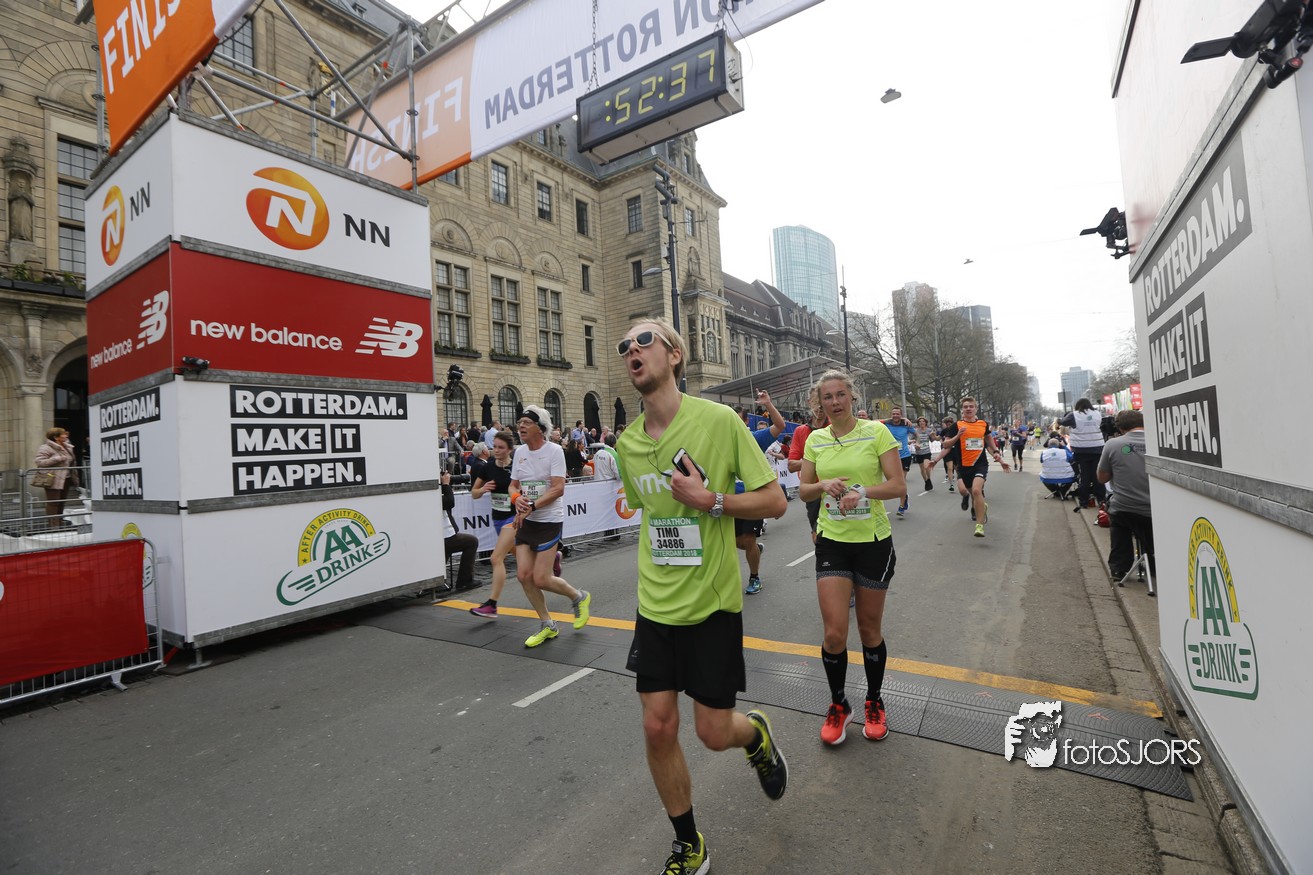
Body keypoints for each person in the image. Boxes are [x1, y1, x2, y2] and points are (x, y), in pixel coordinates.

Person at [614, 319, 789, 874]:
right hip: (654, 604)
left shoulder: (718, 421)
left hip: (711, 605)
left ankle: (755, 735)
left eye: (644, 340)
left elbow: (775, 501)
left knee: (714, 733)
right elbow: (650, 516)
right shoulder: (627, 444)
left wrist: (711, 501)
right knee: (657, 726)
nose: (632, 350)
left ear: (675, 355)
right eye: (624, 346)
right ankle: (689, 843)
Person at [798, 370, 905, 747]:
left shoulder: (876, 432)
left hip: (873, 542)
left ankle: (874, 702)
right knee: (833, 633)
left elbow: (897, 485)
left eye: (840, 394)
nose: (835, 402)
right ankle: (839, 704)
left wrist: (863, 492)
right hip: (833, 542)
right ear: (820, 403)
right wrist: (821, 484)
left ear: (852, 397)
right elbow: (804, 492)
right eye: (827, 397)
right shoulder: (816, 439)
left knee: (869, 630)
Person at [510, 405, 591, 647]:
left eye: (526, 422)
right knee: (523, 576)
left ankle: (578, 597)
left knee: (541, 579)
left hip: (548, 521)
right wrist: (516, 498)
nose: (521, 426)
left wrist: (532, 506)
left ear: (540, 428)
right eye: (520, 422)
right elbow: (513, 485)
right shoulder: (519, 452)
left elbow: (558, 488)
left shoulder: (554, 450)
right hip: (526, 520)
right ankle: (548, 624)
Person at [932, 396, 1009, 538]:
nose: (968, 409)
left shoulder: (983, 424)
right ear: (962, 410)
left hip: (980, 464)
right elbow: (946, 445)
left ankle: (979, 525)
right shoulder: (956, 425)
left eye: (971, 406)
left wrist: (997, 454)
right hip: (963, 466)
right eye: (965, 407)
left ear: (976, 409)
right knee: (968, 492)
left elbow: (989, 441)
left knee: (976, 490)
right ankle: (981, 506)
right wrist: (957, 436)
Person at [735, 389, 785, 595]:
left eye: (737, 420)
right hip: (730, 500)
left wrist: (767, 404)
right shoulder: (719, 442)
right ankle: (755, 549)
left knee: (747, 539)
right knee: (737, 542)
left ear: (746, 422)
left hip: (753, 498)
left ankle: (754, 577)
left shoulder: (755, 438)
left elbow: (780, 426)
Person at [1097, 410, 1154, 582]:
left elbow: (1102, 478)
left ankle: (1119, 568)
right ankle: (1154, 563)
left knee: (1119, 520)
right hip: (1155, 508)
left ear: (1120, 428)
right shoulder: (1158, 442)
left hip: (1125, 507)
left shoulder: (1113, 444)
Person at [467, 431, 518, 618]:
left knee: (496, 558)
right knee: (521, 558)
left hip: (514, 517)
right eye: (494, 446)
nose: (496, 450)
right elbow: (474, 493)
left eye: (500, 447)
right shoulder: (487, 467)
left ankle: (492, 604)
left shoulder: (516, 467)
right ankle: (551, 559)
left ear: (509, 449)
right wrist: (483, 489)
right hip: (497, 518)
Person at [788, 395, 827, 544]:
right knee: (818, 535)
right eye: (816, 402)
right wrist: (815, 461)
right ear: (809, 403)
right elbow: (791, 465)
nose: (819, 407)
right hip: (813, 490)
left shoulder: (836, 427)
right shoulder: (801, 431)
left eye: (822, 402)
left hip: (837, 488)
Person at [1059, 398, 1108, 513]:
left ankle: (1084, 502)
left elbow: (1062, 422)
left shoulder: (1074, 415)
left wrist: (1061, 418)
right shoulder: (1097, 413)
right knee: (1097, 476)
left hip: (1081, 450)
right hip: (1097, 448)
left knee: (1084, 477)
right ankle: (1102, 500)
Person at [440, 471, 480, 590]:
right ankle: (464, 581)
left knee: (448, 549)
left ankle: (439, 579)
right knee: (472, 542)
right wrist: (445, 485)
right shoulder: (431, 493)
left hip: (443, 535)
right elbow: (449, 502)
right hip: (443, 537)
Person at [33, 427, 77, 528]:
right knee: (53, 502)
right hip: (53, 478)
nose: (66, 435)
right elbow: (39, 462)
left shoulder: (67, 447)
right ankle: (53, 525)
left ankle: (59, 522)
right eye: (63, 434)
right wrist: (57, 459)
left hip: (66, 478)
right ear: (56, 437)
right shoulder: (45, 447)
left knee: (61, 501)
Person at [880, 407, 916, 517]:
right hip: (891, 456)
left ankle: (901, 506)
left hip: (905, 456)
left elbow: (916, 434)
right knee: (891, 481)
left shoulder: (906, 425)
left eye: (897, 414)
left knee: (902, 481)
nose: (895, 416)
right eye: (893, 414)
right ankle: (904, 496)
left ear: (901, 415)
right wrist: (889, 419)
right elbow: (874, 422)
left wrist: (916, 442)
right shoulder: (887, 424)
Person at [911, 415, 935, 492]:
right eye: (920, 421)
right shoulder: (916, 431)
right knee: (922, 469)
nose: (921, 423)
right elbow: (911, 440)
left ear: (925, 423)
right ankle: (926, 481)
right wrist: (915, 444)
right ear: (918, 423)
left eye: (923, 421)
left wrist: (933, 435)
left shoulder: (929, 430)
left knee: (926, 466)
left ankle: (929, 478)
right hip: (918, 452)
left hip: (927, 451)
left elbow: (932, 440)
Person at [939, 416, 959, 484]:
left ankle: (961, 480)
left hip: (955, 450)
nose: (948, 425)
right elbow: (939, 437)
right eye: (947, 424)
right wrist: (934, 437)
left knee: (957, 468)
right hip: (947, 451)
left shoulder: (956, 430)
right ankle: (951, 484)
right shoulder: (944, 430)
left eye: (950, 424)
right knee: (950, 468)